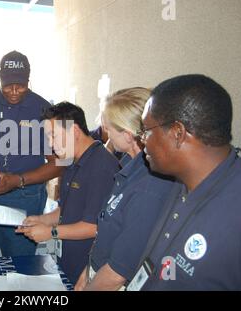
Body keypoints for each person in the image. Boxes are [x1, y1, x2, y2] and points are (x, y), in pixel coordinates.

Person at [128, 74, 241, 291]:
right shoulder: (179, 181)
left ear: (177, 133)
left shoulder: (238, 211)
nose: (141, 140)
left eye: (146, 131)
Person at [0, 50, 62, 258]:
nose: (14, 91)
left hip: (24, 198)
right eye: (8, 85)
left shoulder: (44, 108)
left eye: (21, 86)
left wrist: (18, 180)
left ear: (29, 79)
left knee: (19, 264)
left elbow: (60, 163)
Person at [74, 87, 174, 291]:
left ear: (128, 135)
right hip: (97, 271)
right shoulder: (130, 166)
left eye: (109, 129)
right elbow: (107, 230)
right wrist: (88, 270)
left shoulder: (150, 185)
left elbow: (117, 273)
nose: (106, 135)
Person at [16, 102, 120, 285]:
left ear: (75, 131)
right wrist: (41, 220)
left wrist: (50, 232)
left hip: (87, 270)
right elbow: (67, 209)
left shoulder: (102, 166)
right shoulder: (70, 161)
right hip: (67, 262)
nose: (49, 144)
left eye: (53, 136)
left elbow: (93, 227)